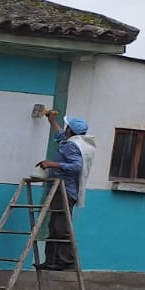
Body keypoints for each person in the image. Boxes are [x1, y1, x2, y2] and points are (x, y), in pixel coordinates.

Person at [36, 111, 94, 271]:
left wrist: (52, 164)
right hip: (61, 190)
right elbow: (60, 134)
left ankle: (66, 261)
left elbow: (76, 167)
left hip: (64, 191)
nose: (65, 129)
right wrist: (51, 120)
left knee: (61, 227)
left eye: (67, 127)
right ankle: (51, 260)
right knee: (54, 226)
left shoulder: (72, 146)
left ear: (71, 130)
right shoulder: (76, 141)